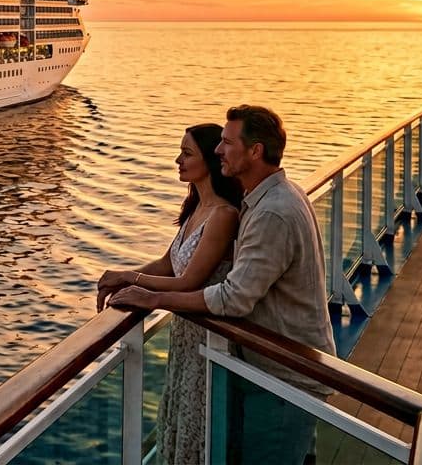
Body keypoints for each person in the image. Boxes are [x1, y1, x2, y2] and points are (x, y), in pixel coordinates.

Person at [107, 105, 337, 464]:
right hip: (271, 367)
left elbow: (233, 297)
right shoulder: (269, 199)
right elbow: (181, 264)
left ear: (255, 151)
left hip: (285, 374)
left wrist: (153, 298)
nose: (218, 150)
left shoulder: (271, 212)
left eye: (227, 143)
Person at [97, 124, 243, 464]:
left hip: (209, 338)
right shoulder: (196, 207)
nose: (178, 160)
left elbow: (188, 281)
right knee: (179, 419)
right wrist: (123, 276)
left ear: (209, 160)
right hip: (185, 335)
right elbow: (167, 264)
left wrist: (134, 280)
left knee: (200, 426)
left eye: (187, 153)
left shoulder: (223, 215)